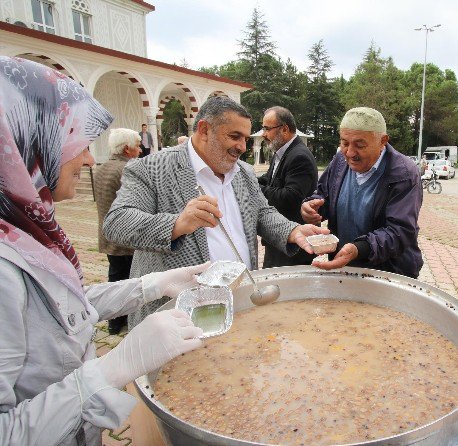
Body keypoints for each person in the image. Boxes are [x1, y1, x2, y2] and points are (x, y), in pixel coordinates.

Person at [0, 56, 208, 445]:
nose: (88, 158)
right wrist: (114, 367)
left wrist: (153, 284)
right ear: (26, 137)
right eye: (74, 142)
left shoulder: (24, 228)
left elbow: (62, 309)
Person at [104, 96, 329, 329]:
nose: (242, 147)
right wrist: (177, 224)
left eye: (244, 137)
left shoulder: (243, 171)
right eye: (234, 136)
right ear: (204, 130)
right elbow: (117, 223)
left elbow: (261, 212)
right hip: (178, 315)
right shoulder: (151, 168)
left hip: (239, 305)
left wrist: (291, 230)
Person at [301, 107, 423, 278]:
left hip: (388, 272)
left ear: (383, 141)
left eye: (360, 145)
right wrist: (312, 208)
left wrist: (360, 248)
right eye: (344, 143)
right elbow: (323, 195)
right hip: (344, 266)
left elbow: (400, 231)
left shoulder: (404, 174)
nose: (350, 153)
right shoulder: (340, 161)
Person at [93, 128, 142, 334]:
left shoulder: (102, 168)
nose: (140, 150)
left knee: (115, 278)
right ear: (127, 149)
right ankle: (128, 321)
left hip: (108, 235)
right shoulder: (126, 170)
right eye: (137, 145)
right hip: (126, 239)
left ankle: (114, 323)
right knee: (129, 283)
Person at [257, 106, 318, 267]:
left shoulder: (299, 156)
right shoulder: (282, 152)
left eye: (267, 129)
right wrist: (250, 181)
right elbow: (269, 180)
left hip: (293, 247)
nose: (264, 134)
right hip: (281, 241)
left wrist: (255, 190)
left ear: (284, 129)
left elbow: (290, 197)